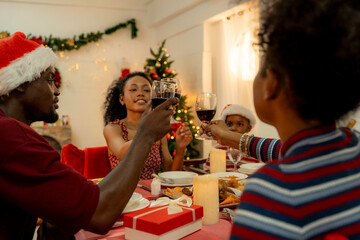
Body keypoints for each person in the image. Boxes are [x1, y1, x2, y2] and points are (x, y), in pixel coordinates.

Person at [0, 32, 179, 239]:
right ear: (20, 82)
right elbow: (100, 215)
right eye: (50, 80)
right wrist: (146, 135)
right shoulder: (10, 135)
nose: (56, 91)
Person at [212, 0, 360, 238]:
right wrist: (231, 138)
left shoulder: (273, 192)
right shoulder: (354, 144)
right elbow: (285, 150)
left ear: (272, 84)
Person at [103, 72, 193, 179]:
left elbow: (171, 174)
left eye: (146, 90)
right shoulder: (112, 129)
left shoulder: (156, 130)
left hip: (151, 193)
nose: (140, 93)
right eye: (133, 89)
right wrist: (150, 132)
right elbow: (124, 154)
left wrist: (180, 149)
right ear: (121, 99)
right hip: (124, 193)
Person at [204, 104, 261, 172]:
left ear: (248, 128)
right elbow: (207, 171)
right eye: (229, 124)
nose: (233, 128)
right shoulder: (217, 149)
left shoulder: (253, 151)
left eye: (240, 124)